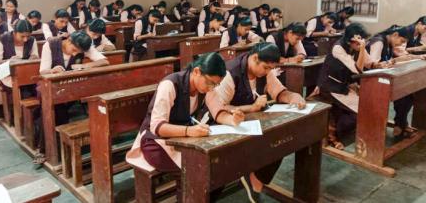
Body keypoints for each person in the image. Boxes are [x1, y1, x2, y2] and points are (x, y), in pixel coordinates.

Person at [126, 52, 244, 199]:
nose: (211, 88)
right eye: (210, 83)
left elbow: (218, 112)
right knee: (192, 172)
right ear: (196, 71)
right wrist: (189, 131)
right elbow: (157, 127)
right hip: (155, 142)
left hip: (183, 139)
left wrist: (233, 119)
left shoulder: (207, 88)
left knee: (216, 168)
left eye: (216, 84)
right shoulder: (170, 85)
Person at [211, 42, 306, 202]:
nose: (268, 71)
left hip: (252, 122)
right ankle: (243, 175)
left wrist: (293, 97)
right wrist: (251, 108)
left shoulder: (265, 72)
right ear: (254, 58)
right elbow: (218, 109)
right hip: (227, 124)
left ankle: (256, 177)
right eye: (266, 67)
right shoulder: (230, 73)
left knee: (279, 141)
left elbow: (279, 92)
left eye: (271, 68)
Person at [35, 31, 109, 164]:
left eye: (78, 52)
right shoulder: (50, 45)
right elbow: (42, 71)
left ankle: (51, 148)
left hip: (70, 87)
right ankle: (47, 148)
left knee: (59, 108)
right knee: (52, 110)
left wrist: (85, 65)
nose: (75, 54)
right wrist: (52, 70)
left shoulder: (83, 45)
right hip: (48, 86)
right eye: (74, 50)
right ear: (68, 41)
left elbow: (104, 61)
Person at [367, 25, 426, 140]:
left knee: (406, 94)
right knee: (402, 92)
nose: (401, 44)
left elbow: (400, 57)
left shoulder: (389, 42)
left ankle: (400, 124)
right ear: (395, 35)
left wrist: (419, 56)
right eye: (401, 41)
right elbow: (372, 65)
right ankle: (400, 124)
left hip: (382, 77)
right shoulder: (379, 42)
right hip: (368, 80)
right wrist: (385, 63)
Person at [315, 23, 372, 149]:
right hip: (330, 86)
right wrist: (362, 49)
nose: (361, 45)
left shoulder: (356, 47)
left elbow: (370, 63)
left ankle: (339, 133)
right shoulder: (338, 48)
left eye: (362, 42)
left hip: (344, 86)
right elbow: (358, 69)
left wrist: (384, 64)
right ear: (349, 41)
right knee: (357, 112)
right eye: (358, 43)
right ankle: (333, 136)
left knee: (365, 108)